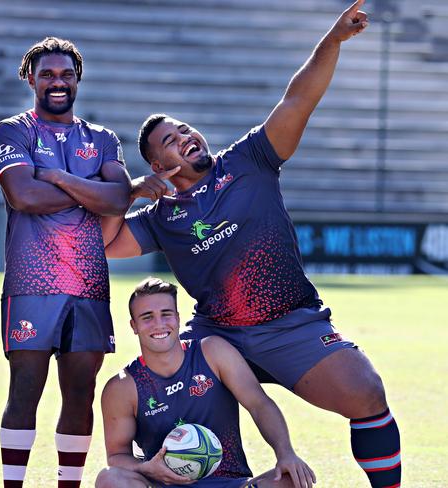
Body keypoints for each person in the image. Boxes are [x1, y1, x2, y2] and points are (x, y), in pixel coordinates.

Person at [103, 2, 401, 488]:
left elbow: (297, 100)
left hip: (290, 326)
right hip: (217, 336)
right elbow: (104, 241)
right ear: (159, 167)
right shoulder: (160, 218)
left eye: (185, 130)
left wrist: (333, 40)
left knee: (367, 394)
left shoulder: (249, 160)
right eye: (171, 142)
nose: (185, 138)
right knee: (171, 411)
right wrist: (131, 192)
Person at [0, 37, 131, 487]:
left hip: (88, 288)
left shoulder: (103, 138)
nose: (57, 82)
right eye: (47, 74)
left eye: (66, 74)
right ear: (31, 78)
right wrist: (88, 189)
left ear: (77, 80)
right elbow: (22, 195)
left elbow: (119, 199)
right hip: (31, 285)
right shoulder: (14, 131)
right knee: (24, 391)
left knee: (80, 395)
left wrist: (56, 176)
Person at [96, 277, 315, 488]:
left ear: (178, 318)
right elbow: (117, 456)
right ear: (134, 326)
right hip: (164, 485)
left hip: (231, 483)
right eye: (147, 317)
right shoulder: (123, 387)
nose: (159, 324)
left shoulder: (213, 352)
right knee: (109, 479)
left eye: (166, 314)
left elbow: (259, 404)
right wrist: (147, 468)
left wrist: (285, 453)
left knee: (293, 479)